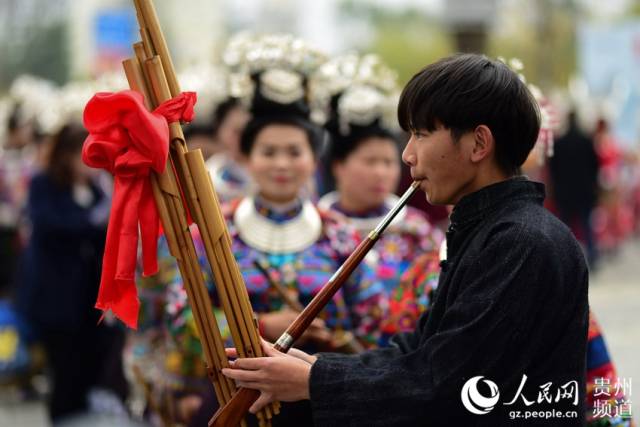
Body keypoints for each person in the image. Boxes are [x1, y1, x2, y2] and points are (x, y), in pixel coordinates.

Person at [222, 53, 590, 426]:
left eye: (421, 134)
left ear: (478, 144)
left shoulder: (521, 241)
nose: (407, 155)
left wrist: (316, 381)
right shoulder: (488, 230)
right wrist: (315, 367)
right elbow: (420, 352)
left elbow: (450, 385)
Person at [315, 54, 443, 344]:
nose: (381, 172)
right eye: (370, 161)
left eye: (387, 162)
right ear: (338, 166)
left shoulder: (416, 229)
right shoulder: (318, 228)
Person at [16, 123, 127, 423]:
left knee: (89, 369)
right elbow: (51, 225)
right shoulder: (44, 183)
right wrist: (97, 219)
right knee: (64, 373)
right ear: (65, 155)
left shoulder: (95, 188)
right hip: (54, 297)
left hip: (88, 298)